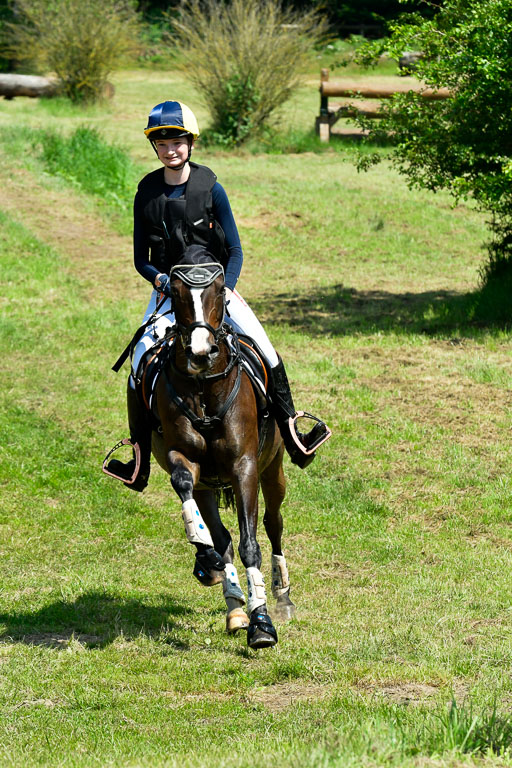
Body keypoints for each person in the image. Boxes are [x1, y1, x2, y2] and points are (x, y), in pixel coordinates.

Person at [105, 100, 331, 491]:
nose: (169, 150)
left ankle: (292, 431)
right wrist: (159, 281)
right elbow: (140, 259)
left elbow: (237, 251)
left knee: (266, 349)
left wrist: (225, 288)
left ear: (190, 143)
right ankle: (139, 457)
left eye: (176, 142)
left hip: (215, 293)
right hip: (171, 295)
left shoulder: (212, 187)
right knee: (139, 361)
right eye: (161, 144)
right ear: (154, 149)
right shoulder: (146, 192)